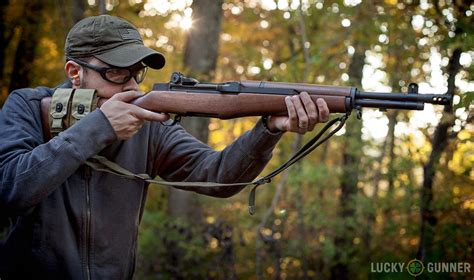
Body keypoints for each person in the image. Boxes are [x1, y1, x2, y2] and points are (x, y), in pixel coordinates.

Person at [0, 15, 329, 279]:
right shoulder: (28, 107)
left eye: (137, 73)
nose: (131, 85)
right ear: (75, 73)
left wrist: (269, 128)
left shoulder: (147, 123)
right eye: (116, 73)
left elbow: (217, 176)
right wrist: (97, 128)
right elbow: (11, 190)